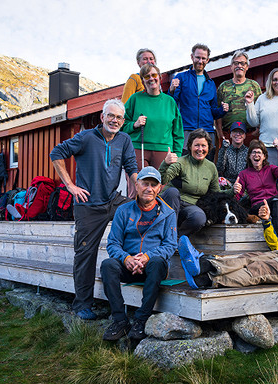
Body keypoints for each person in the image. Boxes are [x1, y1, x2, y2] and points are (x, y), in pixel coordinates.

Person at [50, 99, 137, 320]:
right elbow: (56, 153)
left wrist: (138, 191)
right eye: (111, 116)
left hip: (112, 200)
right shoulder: (86, 137)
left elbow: (131, 168)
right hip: (88, 205)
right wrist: (70, 186)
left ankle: (137, 275)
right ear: (102, 116)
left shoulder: (124, 139)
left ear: (123, 120)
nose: (114, 120)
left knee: (141, 210)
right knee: (85, 254)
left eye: (119, 117)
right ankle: (82, 305)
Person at [100, 166, 176, 341]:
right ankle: (120, 321)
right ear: (137, 184)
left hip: (153, 267)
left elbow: (170, 245)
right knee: (108, 265)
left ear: (159, 188)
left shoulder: (168, 213)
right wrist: (126, 258)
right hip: (128, 264)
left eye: (153, 185)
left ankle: (141, 320)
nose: (149, 188)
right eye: (145, 184)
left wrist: (147, 257)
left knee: (157, 262)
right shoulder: (123, 210)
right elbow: (113, 243)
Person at [121, 63, 184, 198]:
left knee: (160, 190)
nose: (151, 79)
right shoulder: (135, 99)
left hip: (163, 151)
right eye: (146, 76)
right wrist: (134, 124)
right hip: (138, 149)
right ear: (143, 80)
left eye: (154, 75)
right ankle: (135, 218)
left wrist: (176, 154)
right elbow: (120, 124)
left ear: (160, 77)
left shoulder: (169, 101)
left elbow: (178, 132)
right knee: (137, 189)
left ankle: (159, 218)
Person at [159, 129, 227, 237]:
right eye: (197, 145)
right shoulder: (181, 162)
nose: (200, 149)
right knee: (172, 192)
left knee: (199, 218)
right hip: (172, 203)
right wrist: (165, 164)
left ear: (208, 148)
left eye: (203, 146)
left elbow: (216, 194)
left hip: (191, 207)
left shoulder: (211, 167)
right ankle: (168, 236)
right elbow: (162, 179)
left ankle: (176, 239)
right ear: (190, 146)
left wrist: (232, 191)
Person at [169, 43, 228, 157]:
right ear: (192, 57)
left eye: (203, 58)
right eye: (198, 57)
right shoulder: (181, 77)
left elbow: (213, 111)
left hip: (207, 131)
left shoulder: (210, 83)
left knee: (205, 166)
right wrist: (171, 90)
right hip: (186, 130)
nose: (200, 61)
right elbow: (172, 103)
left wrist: (222, 110)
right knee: (184, 165)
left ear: (207, 60)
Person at [233, 138, 278, 236]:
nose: (256, 155)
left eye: (259, 152)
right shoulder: (244, 174)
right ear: (249, 156)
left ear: (264, 157)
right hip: (258, 206)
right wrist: (235, 191)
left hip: (275, 202)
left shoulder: (270, 169)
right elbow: (237, 197)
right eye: (253, 152)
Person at [216, 50, 262, 144]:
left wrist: (258, 130)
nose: (239, 66)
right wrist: (220, 134)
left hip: (250, 134)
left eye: (242, 63)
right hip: (228, 135)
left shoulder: (254, 86)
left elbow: (261, 109)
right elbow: (217, 113)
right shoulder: (223, 87)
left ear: (247, 67)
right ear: (231, 67)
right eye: (236, 63)